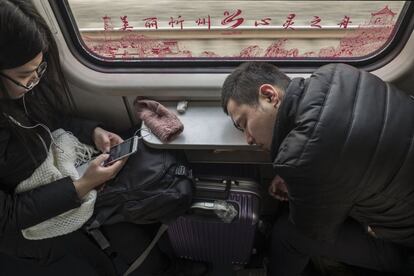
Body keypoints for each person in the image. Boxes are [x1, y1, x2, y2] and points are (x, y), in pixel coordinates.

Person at [0, 0, 169, 275]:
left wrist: (92, 131)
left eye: (38, 71)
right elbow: (7, 216)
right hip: (19, 223)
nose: (33, 82)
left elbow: (49, 122)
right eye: (24, 76)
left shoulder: (18, 92)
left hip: (53, 178)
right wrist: (81, 185)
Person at [221, 61, 414, 275]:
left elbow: (314, 232)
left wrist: (296, 177)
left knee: (288, 236)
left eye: (244, 123)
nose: (248, 138)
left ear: (270, 95)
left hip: (405, 246)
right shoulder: (334, 72)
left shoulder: (302, 160)